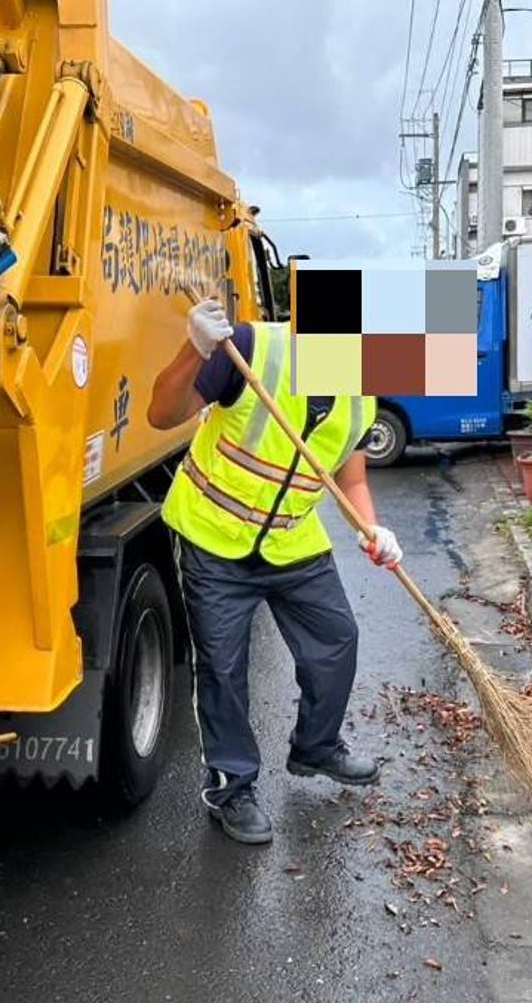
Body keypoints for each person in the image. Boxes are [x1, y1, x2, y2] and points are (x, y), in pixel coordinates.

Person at [148, 297, 403, 845]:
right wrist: (192, 350)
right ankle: (231, 787)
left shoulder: (361, 394)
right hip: (212, 537)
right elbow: (161, 414)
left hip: (291, 541)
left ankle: (316, 748)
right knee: (222, 668)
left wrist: (373, 530)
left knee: (337, 639)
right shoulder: (249, 349)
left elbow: (350, 479)